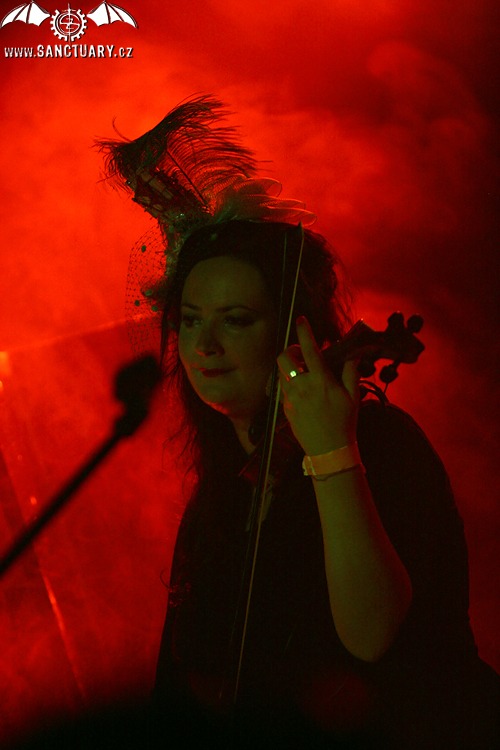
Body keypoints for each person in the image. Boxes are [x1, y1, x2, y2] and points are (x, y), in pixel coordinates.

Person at [98, 96, 498, 749]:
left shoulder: (382, 443)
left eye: (236, 320)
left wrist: (331, 451)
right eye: (191, 320)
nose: (203, 345)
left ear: (293, 330)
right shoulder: (220, 494)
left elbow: (372, 636)